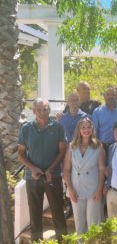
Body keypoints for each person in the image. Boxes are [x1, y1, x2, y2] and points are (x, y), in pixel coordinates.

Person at [17, 98, 67, 242]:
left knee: (58, 212)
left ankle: (63, 241)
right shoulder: (26, 128)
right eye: (38, 109)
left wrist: (51, 169)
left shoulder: (58, 127)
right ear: (33, 111)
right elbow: (20, 153)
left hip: (54, 176)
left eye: (45, 109)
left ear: (49, 110)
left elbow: (62, 151)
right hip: (33, 178)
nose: (42, 112)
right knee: (35, 214)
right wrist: (32, 168)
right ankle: (36, 241)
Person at [63, 117, 106, 235]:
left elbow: (102, 170)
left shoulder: (98, 146)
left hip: (93, 189)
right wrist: (70, 189)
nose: (86, 130)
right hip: (76, 189)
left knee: (94, 224)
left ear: (92, 129)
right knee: (79, 225)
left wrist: (99, 189)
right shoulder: (72, 146)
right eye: (83, 127)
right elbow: (66, 170)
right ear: (79, 130)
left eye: (88, 127)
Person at [92, 86, 117, 152]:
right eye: (108, 94)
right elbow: (94, 131)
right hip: (102, 146)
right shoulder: (97, 111)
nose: (110, 97)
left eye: (113, 94)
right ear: (104, 96)